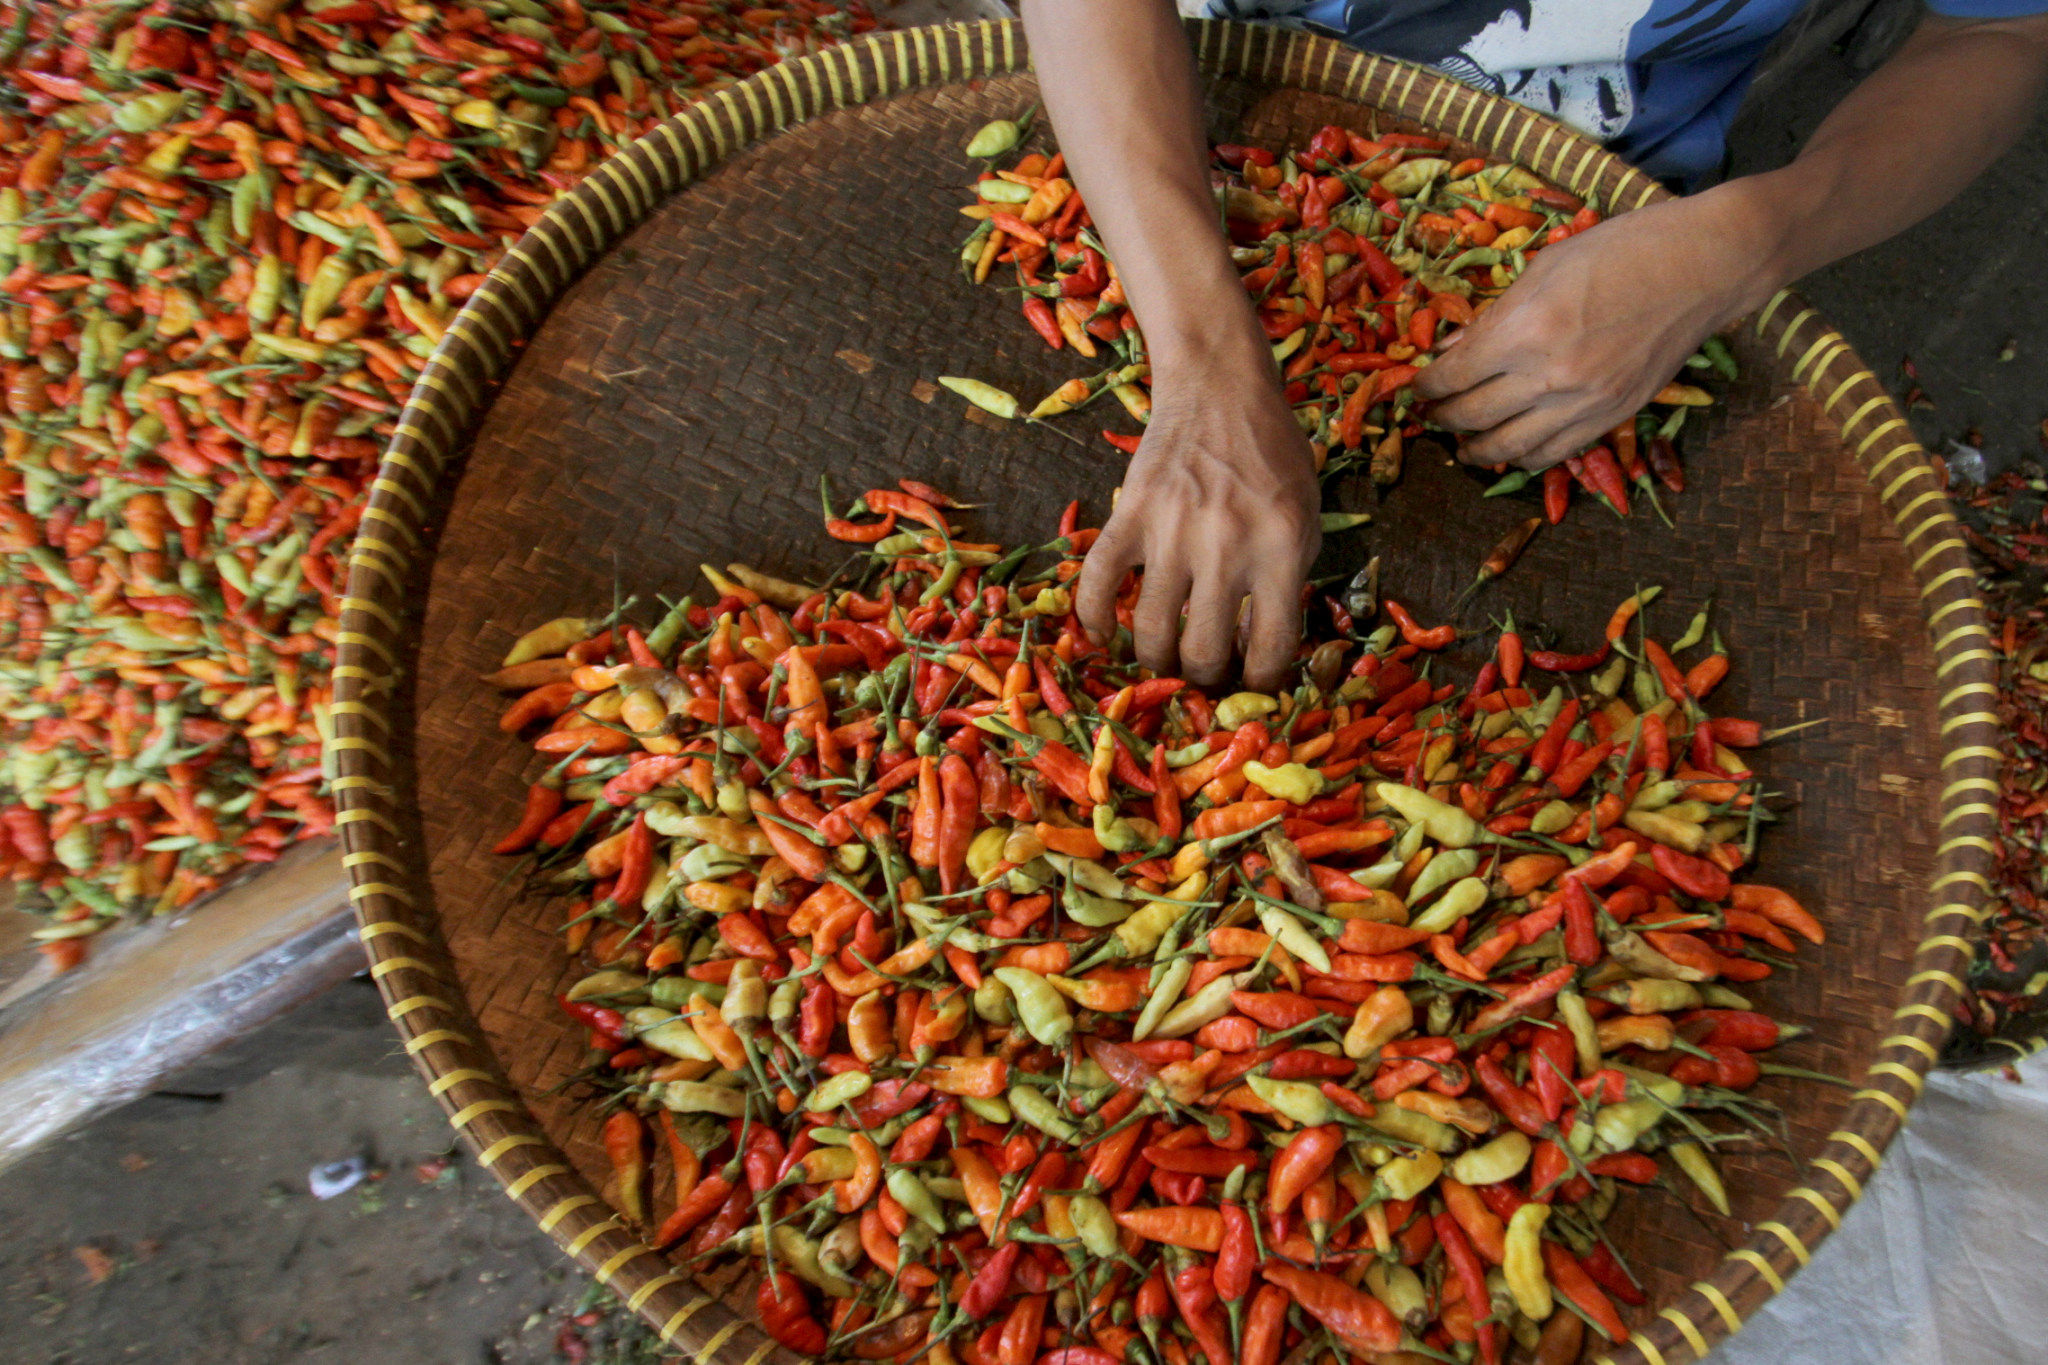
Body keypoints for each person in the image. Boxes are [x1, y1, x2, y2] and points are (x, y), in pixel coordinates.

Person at [1020, 0, 2048, 688]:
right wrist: (1203, 366)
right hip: (1172, 130)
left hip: (1611, 214)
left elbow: (1997, 33)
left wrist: (1748, 239)